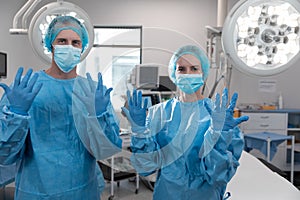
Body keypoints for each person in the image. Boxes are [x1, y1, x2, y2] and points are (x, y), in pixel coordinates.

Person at [0, 15, 122, 200]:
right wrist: (16, 115)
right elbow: (4, 155)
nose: (69, 47)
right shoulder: (27, 90)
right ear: (51, 45)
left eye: (75, 42)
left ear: (82, 48)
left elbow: (107, 150)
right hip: (36, 191)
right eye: (62, 41)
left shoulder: (93, 92)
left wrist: (100, 116)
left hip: (83, 189)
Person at [122, 45, 249, 200]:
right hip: (167, 193)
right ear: (174, 74)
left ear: (203, 73)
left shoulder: (217, 115)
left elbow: (218, 176)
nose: (188, 74)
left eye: (194, 69)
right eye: (181, 69)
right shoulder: (159, 113)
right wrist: (139, 130)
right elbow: (146, 167)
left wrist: (220, 135)